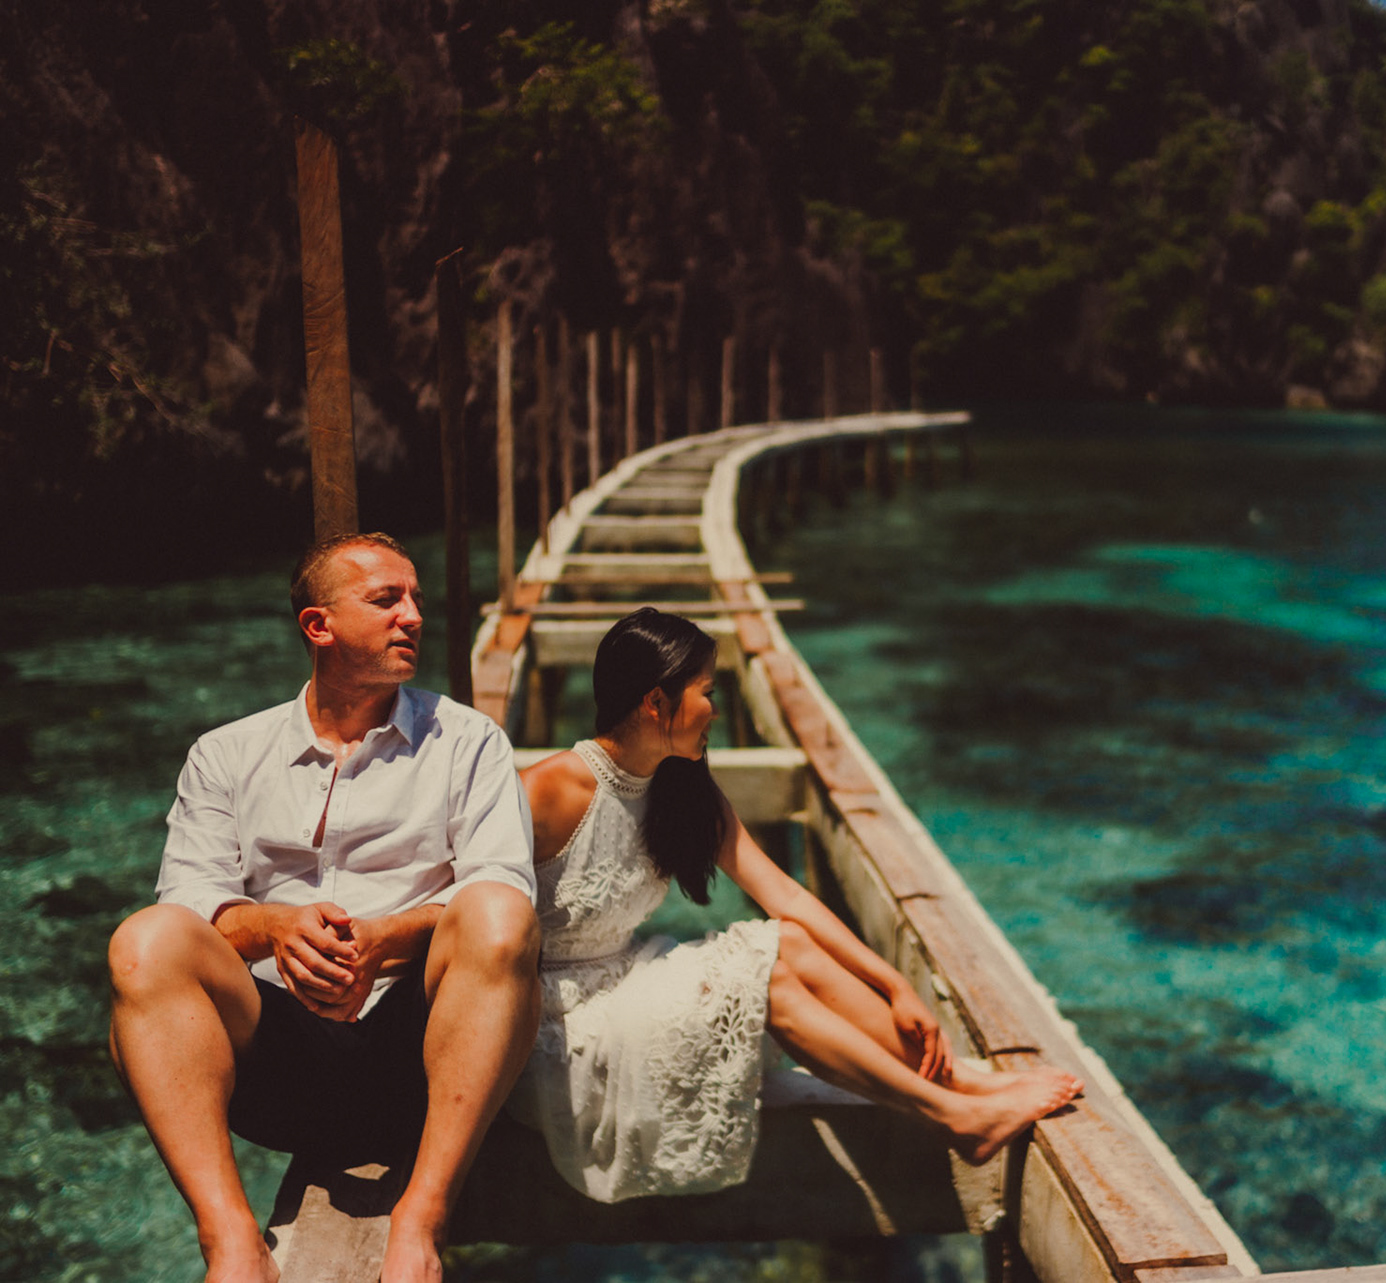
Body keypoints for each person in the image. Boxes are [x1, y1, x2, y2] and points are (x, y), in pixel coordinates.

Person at [513, 607, 1081, 1201]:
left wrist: (893, 985)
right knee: (764, 982)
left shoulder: (680, 787)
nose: (716, 708)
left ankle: (960, 1082)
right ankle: (951, 1116)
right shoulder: (545, 790)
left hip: (629, 979)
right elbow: (458, 919)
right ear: (657, 702)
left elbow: (784, 895)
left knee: (787, 944)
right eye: (706, 692)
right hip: (558, 1031)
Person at [106, 532, 542, 1283]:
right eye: (386, 600)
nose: (413, 616)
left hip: (424, 1058)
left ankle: (422, 1220)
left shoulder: (470, 742)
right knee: (144, 944)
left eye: (416, 601)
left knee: (502, 913)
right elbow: (189, 899)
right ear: (319, 625)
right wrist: (276, 928)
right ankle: (230, 1240)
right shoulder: (225, 753)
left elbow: (504, 885)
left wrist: (386, 940)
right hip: (275, 1065)